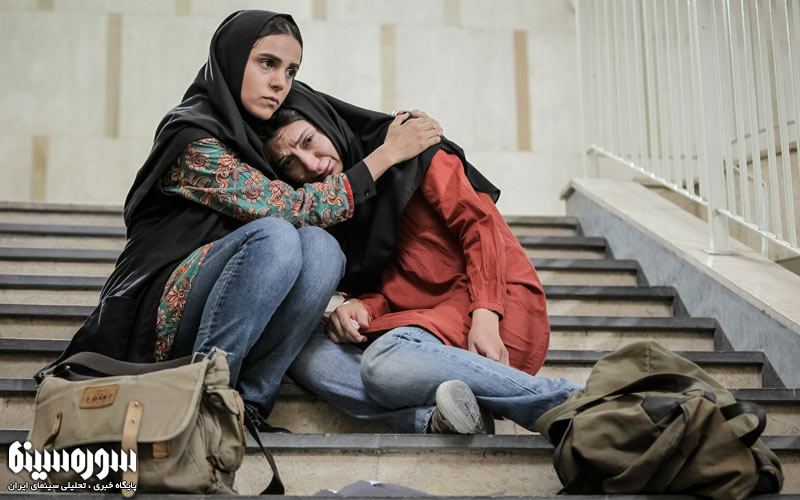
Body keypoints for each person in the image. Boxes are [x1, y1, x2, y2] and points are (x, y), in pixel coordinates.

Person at [38, 10, 441, 431]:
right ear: (231, 60)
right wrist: (386, 154)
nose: (280, 82)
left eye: (290, 71)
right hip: (160, 316)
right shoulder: (192, 137)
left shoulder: (256, 138)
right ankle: (209, 397)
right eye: (267, 63)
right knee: (276, 234)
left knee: (323, 247)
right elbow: (286, 207)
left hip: (240, 300)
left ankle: (249, 404)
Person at [265, 82, 582, 435]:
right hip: (419, 329)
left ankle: (564, 401)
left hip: (491, 308)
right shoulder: (336, 212)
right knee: (300, 347)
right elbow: (395, 290)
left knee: (382, 363)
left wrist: (486, 313)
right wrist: (362, 308)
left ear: (328, 122)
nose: (311, 163)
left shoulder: (412, 148)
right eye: (290, 162)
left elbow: (479, 227)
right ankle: (437, 420)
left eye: (309, 140)